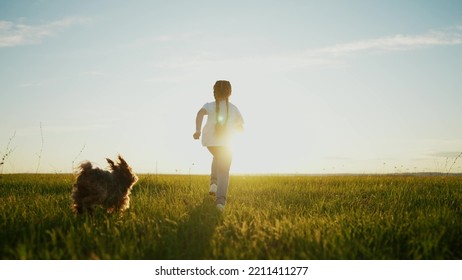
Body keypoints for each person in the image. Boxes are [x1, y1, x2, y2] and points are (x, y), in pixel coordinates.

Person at [193, 80, 244, 211]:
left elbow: (199, 113)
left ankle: (213, 183)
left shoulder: (209, 105)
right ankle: (220, 202)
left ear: (214, 92)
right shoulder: (233, 108)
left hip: (210, 142)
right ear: (230, 93)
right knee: (224, 171)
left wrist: (198, 130)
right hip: (226, 143)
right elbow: (241, 126)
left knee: (217, 157)